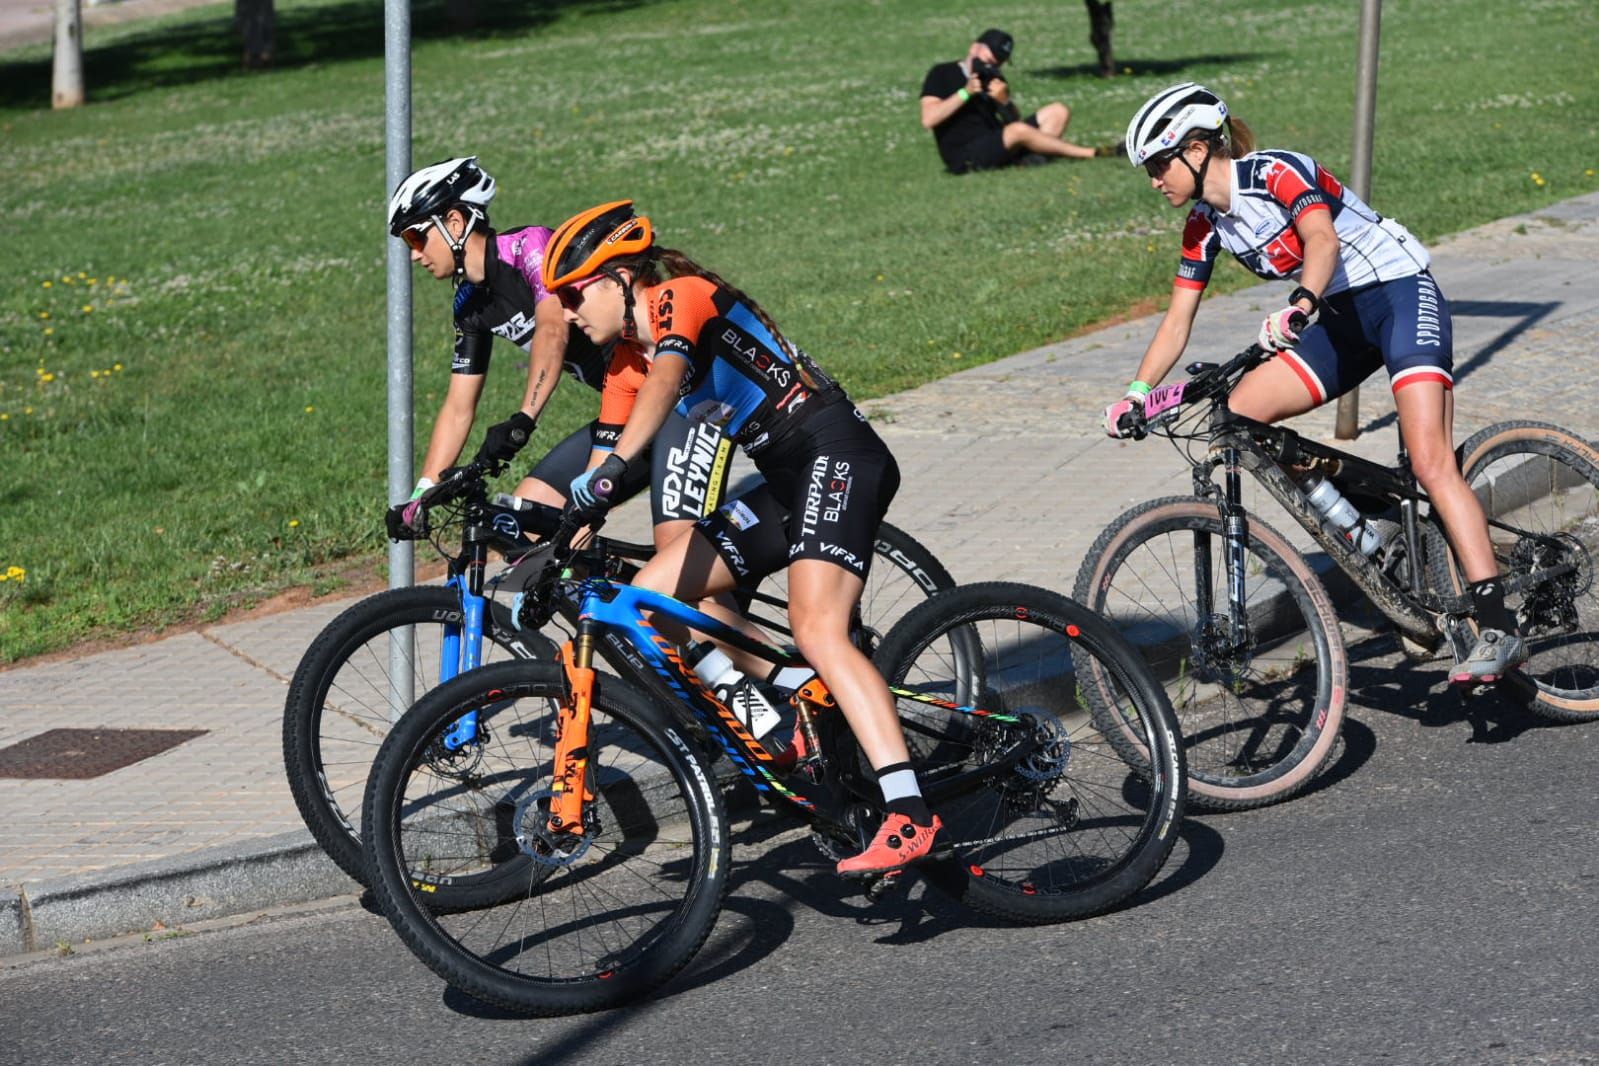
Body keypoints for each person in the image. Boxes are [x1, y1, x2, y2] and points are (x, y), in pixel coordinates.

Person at [543, 200, 942, 876]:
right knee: (647, 603)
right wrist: (550, 526)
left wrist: (612, 475)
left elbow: (667, 381)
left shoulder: (680, 297)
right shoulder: (621, 361)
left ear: (618, 279)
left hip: (836, 452)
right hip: (786, 480)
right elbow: (601, 460)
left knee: (816, 627)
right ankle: (776, 716)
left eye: (575, 294)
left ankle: (909, 812)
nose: (569, 312)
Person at [1104, 83, 1526, 683]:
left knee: (1432, 462)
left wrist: (1300, 302)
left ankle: (1497, 623)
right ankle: (1370, 540)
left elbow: (1321, 240)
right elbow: (1177, 320)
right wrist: (1138, 394)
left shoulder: (1276, 171)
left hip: (1398, 293)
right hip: (1336, 319)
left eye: (1158, 164)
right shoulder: (1203, 225)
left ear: (1198, 149)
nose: (1153, 180)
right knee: (1241, 416)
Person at [382, 157, 736, 562]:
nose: (413, 255)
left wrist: (524, 419)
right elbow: (458, 407)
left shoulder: (529, 248)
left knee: (680, 565)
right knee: (527, 519)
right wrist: (424, 493)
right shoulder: (469, 306)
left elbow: (553, 329)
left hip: (683, 400)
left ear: (455, 222)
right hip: (623, 412)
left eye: (415, 237)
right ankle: (607, 615)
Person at [919, 27, 1104, 174]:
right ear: (974, 48)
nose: (992, 66)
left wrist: (1005, 102)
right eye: (990, 59)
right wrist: (966, 93)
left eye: (998, 63)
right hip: (964, 155)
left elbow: (1013, 122)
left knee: (1058, 111)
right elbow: (929, 119)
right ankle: (1091, 153)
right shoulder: (942, 73)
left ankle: (1031, 161)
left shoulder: (994, 78)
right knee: (1017, 131)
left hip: (995, 143)